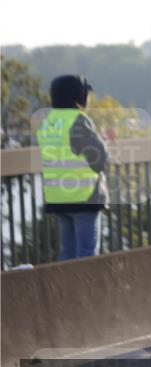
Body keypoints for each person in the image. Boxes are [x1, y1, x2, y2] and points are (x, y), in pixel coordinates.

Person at [38, 74, 108, 260]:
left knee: (67, 255)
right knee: (86, 256)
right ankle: (84, 290)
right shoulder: (78, 120)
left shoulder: (48, 122)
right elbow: (100, 159)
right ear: (79, 96)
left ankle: (66, 290)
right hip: (83, 197)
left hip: (58, 197)